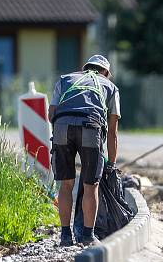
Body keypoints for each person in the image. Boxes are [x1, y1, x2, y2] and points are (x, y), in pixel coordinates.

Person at [49, 54, 120, 246]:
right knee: (91, 186)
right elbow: (112, 132)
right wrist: (111, 164)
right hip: (91, 127)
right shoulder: (110, 87)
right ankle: (88, 236)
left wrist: (63, 127)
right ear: (105, 72)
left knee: (65, 185)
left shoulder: (65, 79)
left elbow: (51, 114)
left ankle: (65, 236)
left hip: (62, 127)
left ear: (85, 67)